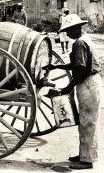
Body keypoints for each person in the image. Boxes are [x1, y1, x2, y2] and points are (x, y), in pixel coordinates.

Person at [43, 14, 101, 170]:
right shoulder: (85, 39)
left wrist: (67, 88)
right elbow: (76, 65)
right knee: (86, 121)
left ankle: (86, 161)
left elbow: (81, 70)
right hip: (90, 82)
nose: (67, 34)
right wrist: (57, 67)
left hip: (87, 84)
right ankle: (84, 155)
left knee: (87, 122)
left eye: (69, 30)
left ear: (77, 28)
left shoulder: (80, 43)